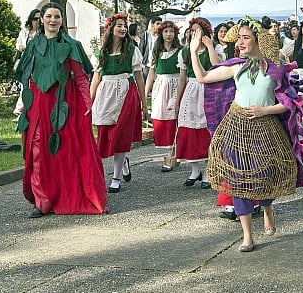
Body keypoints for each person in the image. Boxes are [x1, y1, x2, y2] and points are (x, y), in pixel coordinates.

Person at [191, 16, 303, 253]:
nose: (241, 43)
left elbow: (291, 103)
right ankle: (247, 235)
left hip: (266, 128)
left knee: (264, 174)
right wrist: (195, 52)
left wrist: (265, 110)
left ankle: (267, 208)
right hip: (236, 126)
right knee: (238, 180)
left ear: (258, 40)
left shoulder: (275, 69)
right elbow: (203, 78)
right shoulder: (236, 65)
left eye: (246, 38)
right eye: (240, 39)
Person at [15, 2, 107, 217]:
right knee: (38, 150)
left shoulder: (71, 45)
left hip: (64, 102)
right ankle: (42, 201)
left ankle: (65, 195)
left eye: (57, 16)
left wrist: (87, 103)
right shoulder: (32, 46)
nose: (53, 20)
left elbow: (82, 77)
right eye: (49, 16)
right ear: (41, 19)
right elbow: (26, 78)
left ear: (62, 21)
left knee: (65, 151)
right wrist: (23, 104)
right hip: (38, 103)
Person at [90, 13, 147, 193]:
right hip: (106, 93)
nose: (123, 29)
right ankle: (123, 162)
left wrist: (144, 104)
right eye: (119, 25)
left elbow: (139, 77)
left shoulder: (132, 50)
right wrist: (88, 102)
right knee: (107, 135)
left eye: (124, 25)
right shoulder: (101, 53)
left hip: (126, 92)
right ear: (110, 29)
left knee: (120, 136)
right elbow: (95, 79)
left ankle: (115, 178)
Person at [175, 17, 224, 188]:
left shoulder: (215, 48)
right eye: (192, 30)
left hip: (209, 90)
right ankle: (194, 169)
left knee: (206, 130)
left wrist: (209, 46)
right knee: (189, 130)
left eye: (198, 30)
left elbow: (217, 65)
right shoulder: (184, 52)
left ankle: (207, 171)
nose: (195, 33)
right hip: (191, 90)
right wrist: (177, 100)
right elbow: (182, 78)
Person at [144, 20, 182, 170]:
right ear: (161, 34)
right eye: (166, 32)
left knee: (175, 119)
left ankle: (173, 153)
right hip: (160, 86)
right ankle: (170, 151)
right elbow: (151, 74)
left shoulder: (180, 51)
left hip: (175, 84)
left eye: (171, 32)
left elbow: (182, 73)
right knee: (162, 119)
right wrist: (145, 94)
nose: (169, 34)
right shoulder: (156, 51)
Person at [13, 9, 41, 117]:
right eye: (35, 19)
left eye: (39, 19)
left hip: (37, 62)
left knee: (33, 85)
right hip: (25, 60)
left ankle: (25, 108)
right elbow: (19, 43)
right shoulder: (25, 31)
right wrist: (21, 47)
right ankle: (21, 108)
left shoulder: (42, 33)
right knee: (24, 82)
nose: (37, 21)